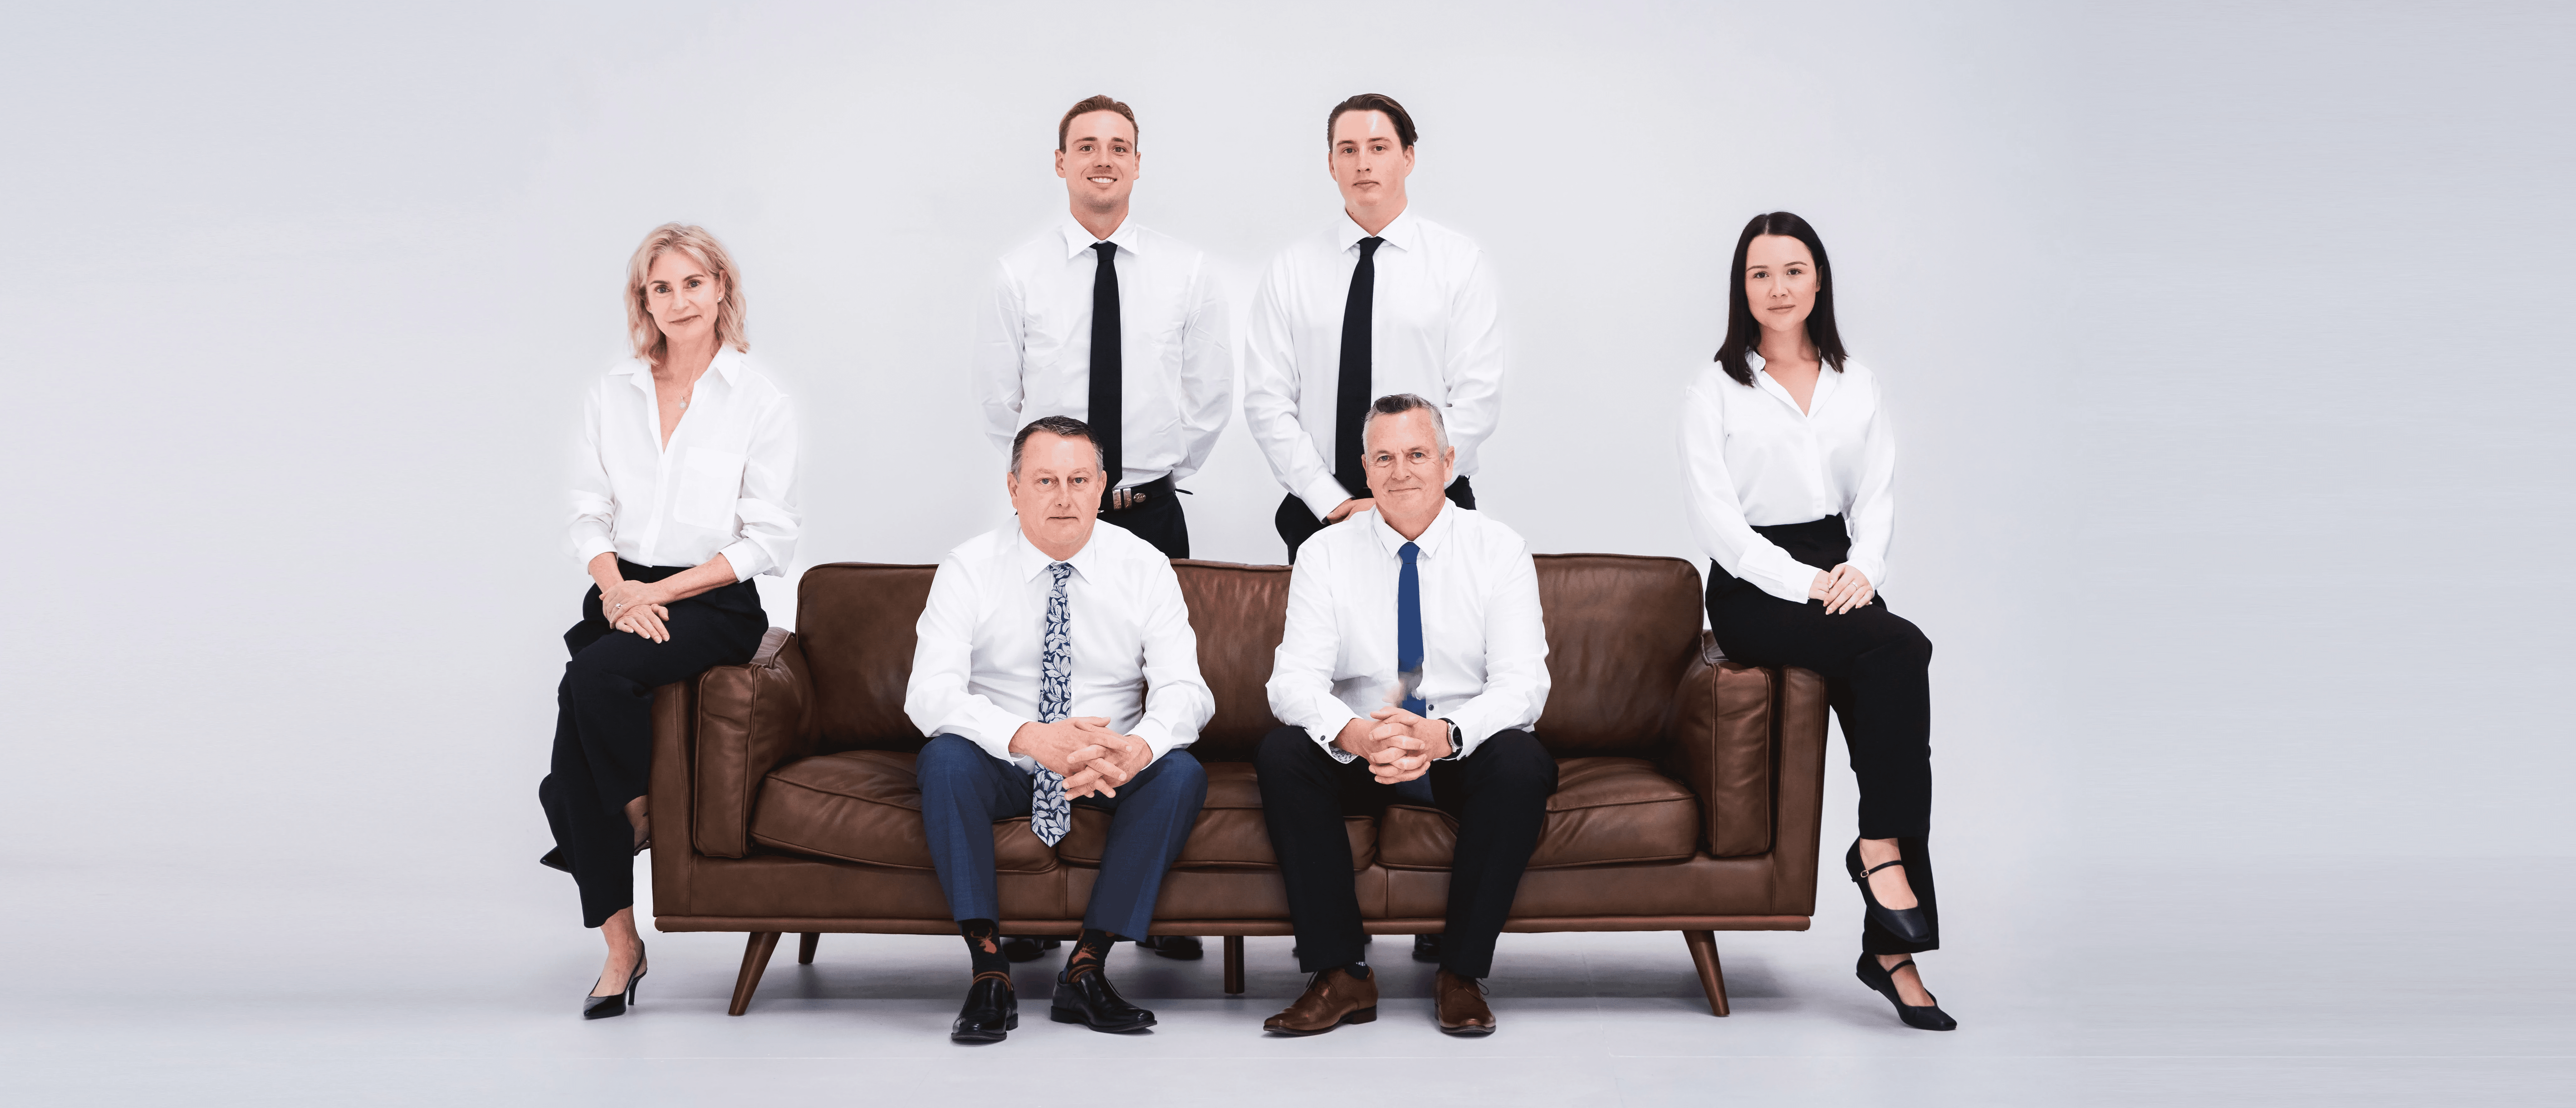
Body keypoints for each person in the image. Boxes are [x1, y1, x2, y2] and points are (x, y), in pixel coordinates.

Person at [1679, 211, 1957, 1031]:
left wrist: (1862, 570)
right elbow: (1719, 527)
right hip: (1752, 584)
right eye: (1760, 273)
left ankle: (1888, 947)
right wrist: (1810, 583)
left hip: (1837, 568)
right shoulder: (1713, 387)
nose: (1777, 287)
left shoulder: (1854, 381)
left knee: (1888, 717)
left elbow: (1876, 496)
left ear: (1817, 280)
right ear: (1742, 288)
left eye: (1792, 270)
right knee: (1899, 645)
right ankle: (1880, 865)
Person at [539, 223, 799, 1019]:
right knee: (567, 770)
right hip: (623, 590)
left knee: (594, 675)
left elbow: (767, 540)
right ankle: (622, 944)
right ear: (643, 300)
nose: (679, 301)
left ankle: (640, 805)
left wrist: (663, 595)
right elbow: (588, 514)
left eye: (694, 283)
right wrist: (619, 591)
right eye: (662, 287)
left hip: (714, 598)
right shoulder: (610, 392)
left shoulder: (758, 397)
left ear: (721, 288)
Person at [904, 415, 1214, 1044]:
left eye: (1079, 479)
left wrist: (1136, 746)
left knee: (1179, 771)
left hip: (1108, 763)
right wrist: (1027, 735)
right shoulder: (968, 567)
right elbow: (928, 691)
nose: (1064, 495)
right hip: (1008, 762)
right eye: (1045, 479)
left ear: (1102, 486)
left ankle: (1087, 966)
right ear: (1014, 488)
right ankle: (989, 969)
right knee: (943, 759)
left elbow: (1187, 690)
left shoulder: (1144, 566)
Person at [1255, 394, 1554, 1037]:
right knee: (1282, 753)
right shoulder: (1324, 553)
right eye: (1384, 457)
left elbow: (1524, 683)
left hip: (1456, 740)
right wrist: (1357, 733)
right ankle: (1340, 974)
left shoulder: (1498, 548)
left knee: (1522, 761)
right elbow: (1291, 683)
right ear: (1364, 470)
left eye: (1417, 454)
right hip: (1367, 742)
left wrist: (1444, 734)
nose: (1401, 471)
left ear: (1448, 461)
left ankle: (1460, 972)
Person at [1242, 93, 1507, 565]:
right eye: (1348, 150)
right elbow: (1267, 400)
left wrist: (1406, 490)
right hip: (1320, 514)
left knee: (1434, 640)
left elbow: (1476, 400)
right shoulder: (1292, 270)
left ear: (1407, 157)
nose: (1362, 162)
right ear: (1331, 164)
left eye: (1378, 147)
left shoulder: (1458, 263)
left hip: (1435, 509)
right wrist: (1329, 498)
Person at [974, 93, 1231, 562]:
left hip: (1151, 514)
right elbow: (1000, 403)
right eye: (1086, 146)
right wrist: (1052, 476)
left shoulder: (1186, 271)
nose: (1103, 160)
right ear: (1061, 162)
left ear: (1136, 163)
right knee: (1045, 636)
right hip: (1050, 514)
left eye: (1118, 148)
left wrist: (1153, 475)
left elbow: (1209, 396)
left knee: (1158, 639)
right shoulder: (1019, 274)